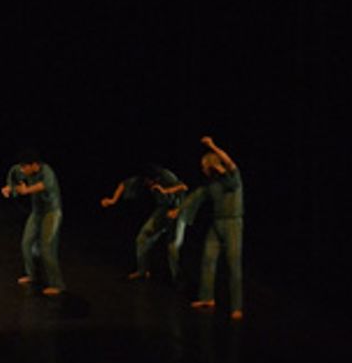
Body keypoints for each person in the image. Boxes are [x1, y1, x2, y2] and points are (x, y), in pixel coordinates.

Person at [175, 136, 245, 320]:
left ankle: (236, 307)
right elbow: (196, 196)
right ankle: (207, 298)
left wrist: (213, 146)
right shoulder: (211, 184)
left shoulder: (232, 180)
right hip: (217, 224)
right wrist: (179, 210)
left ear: (211, 165)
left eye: (203, 166)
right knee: (207, 259)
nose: (202, 169)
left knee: (233, 264)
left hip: (232, 224)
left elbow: (229, 163)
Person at [100, 164, 189, 281]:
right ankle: (142, 270)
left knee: (173, 246)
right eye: (147, 182)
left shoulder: (165, 175)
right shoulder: (142, 179)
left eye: (150, 182)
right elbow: (123, 185)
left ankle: (178, 279)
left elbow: (183, 187)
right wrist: (113, 200)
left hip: (179, 209)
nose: (148, 185)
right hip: (163, 209)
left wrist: (165, 190)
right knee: (143, 238)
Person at [1, 150, 66, 295]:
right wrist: (9, 188)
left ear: (34, 165)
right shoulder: (21, 169)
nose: (23, 170)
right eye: (22, 167)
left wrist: (26, 190)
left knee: (46, 247)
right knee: (26, 243)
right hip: (37, 212)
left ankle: (57, 285)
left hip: (52, 212)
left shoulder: (46, 171)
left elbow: (43, 186)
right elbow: (13, 173)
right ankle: (32, 275)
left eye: (25, 167)